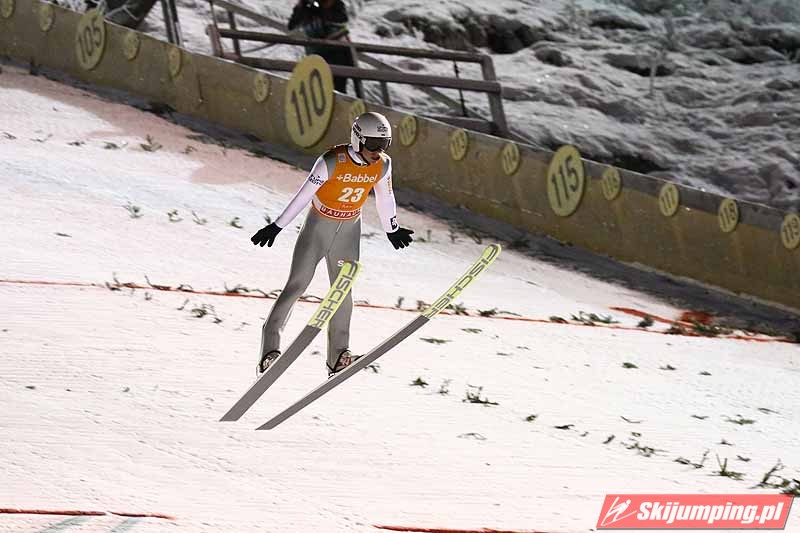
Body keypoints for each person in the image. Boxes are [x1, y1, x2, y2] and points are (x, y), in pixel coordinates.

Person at [251, 112, 414, 377]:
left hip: (349, 230)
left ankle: (338, 356)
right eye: (374, 144)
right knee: (297, 284)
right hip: (318, 227)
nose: (378, 151)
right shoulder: (331, 161)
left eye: (385, 144)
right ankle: (269, 353)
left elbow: (386, 197)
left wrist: (392, 229)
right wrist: (277, 226)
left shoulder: (383, 165)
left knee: (342, 291)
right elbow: (304, 195)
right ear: (358, 139)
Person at [287, 0, 355, 93]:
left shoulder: (337, 8)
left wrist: (321, 8)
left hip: (337, 55)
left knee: (336, 90)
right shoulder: (308, 8)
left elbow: (340, 20)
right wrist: (301, 6)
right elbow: (292, 26)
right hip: (316, 56)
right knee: (315, 90)